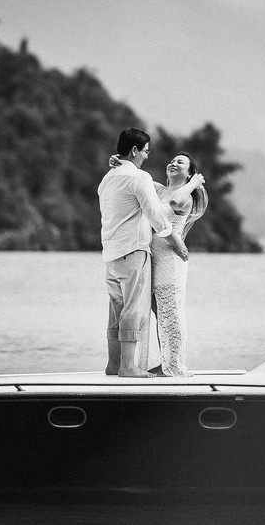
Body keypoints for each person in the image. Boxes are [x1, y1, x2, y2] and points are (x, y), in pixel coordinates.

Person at [107, 151, 208, 376]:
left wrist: (194, 183)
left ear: (189, 172)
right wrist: (118, 162)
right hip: (153, 259)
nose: (173, 163)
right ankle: (166, 363)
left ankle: (174, 366)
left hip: (171, 260)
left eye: (180, 163)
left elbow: (175, 202)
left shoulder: (185, 195)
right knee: (157, 312)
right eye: (172, 160)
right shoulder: (160, 189)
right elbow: (134, 176)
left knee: (170, 312)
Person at [98, 128, 188, 378]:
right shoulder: (139, 178)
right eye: (146, 152)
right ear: (135, 150)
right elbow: (156, 216)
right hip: (133, 251)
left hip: (111, 254)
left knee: (116, 309)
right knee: (133, 310)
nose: (147, 157)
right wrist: (175, 240)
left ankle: (114, 364)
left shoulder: (107, 179)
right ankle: (127, 366)